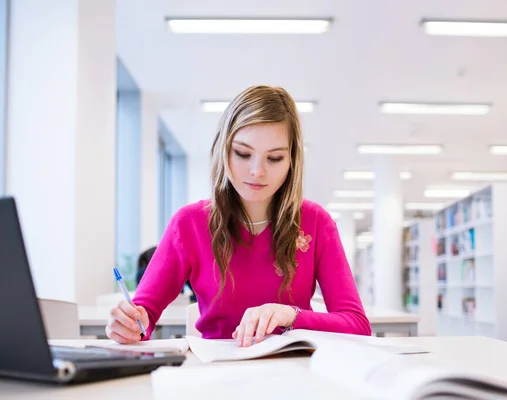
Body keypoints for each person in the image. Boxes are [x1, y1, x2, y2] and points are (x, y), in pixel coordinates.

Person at [105, 85, 371, 347]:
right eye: (243, 153)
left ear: (292, 161)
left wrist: (292, 316)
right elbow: (143, 318)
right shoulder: (189, 224)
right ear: (224, 150)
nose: (257, 171)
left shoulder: (316, 222)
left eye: (275, 158)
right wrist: (128, 326)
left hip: (292, 375)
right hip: (215, 377)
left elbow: (357, 325)